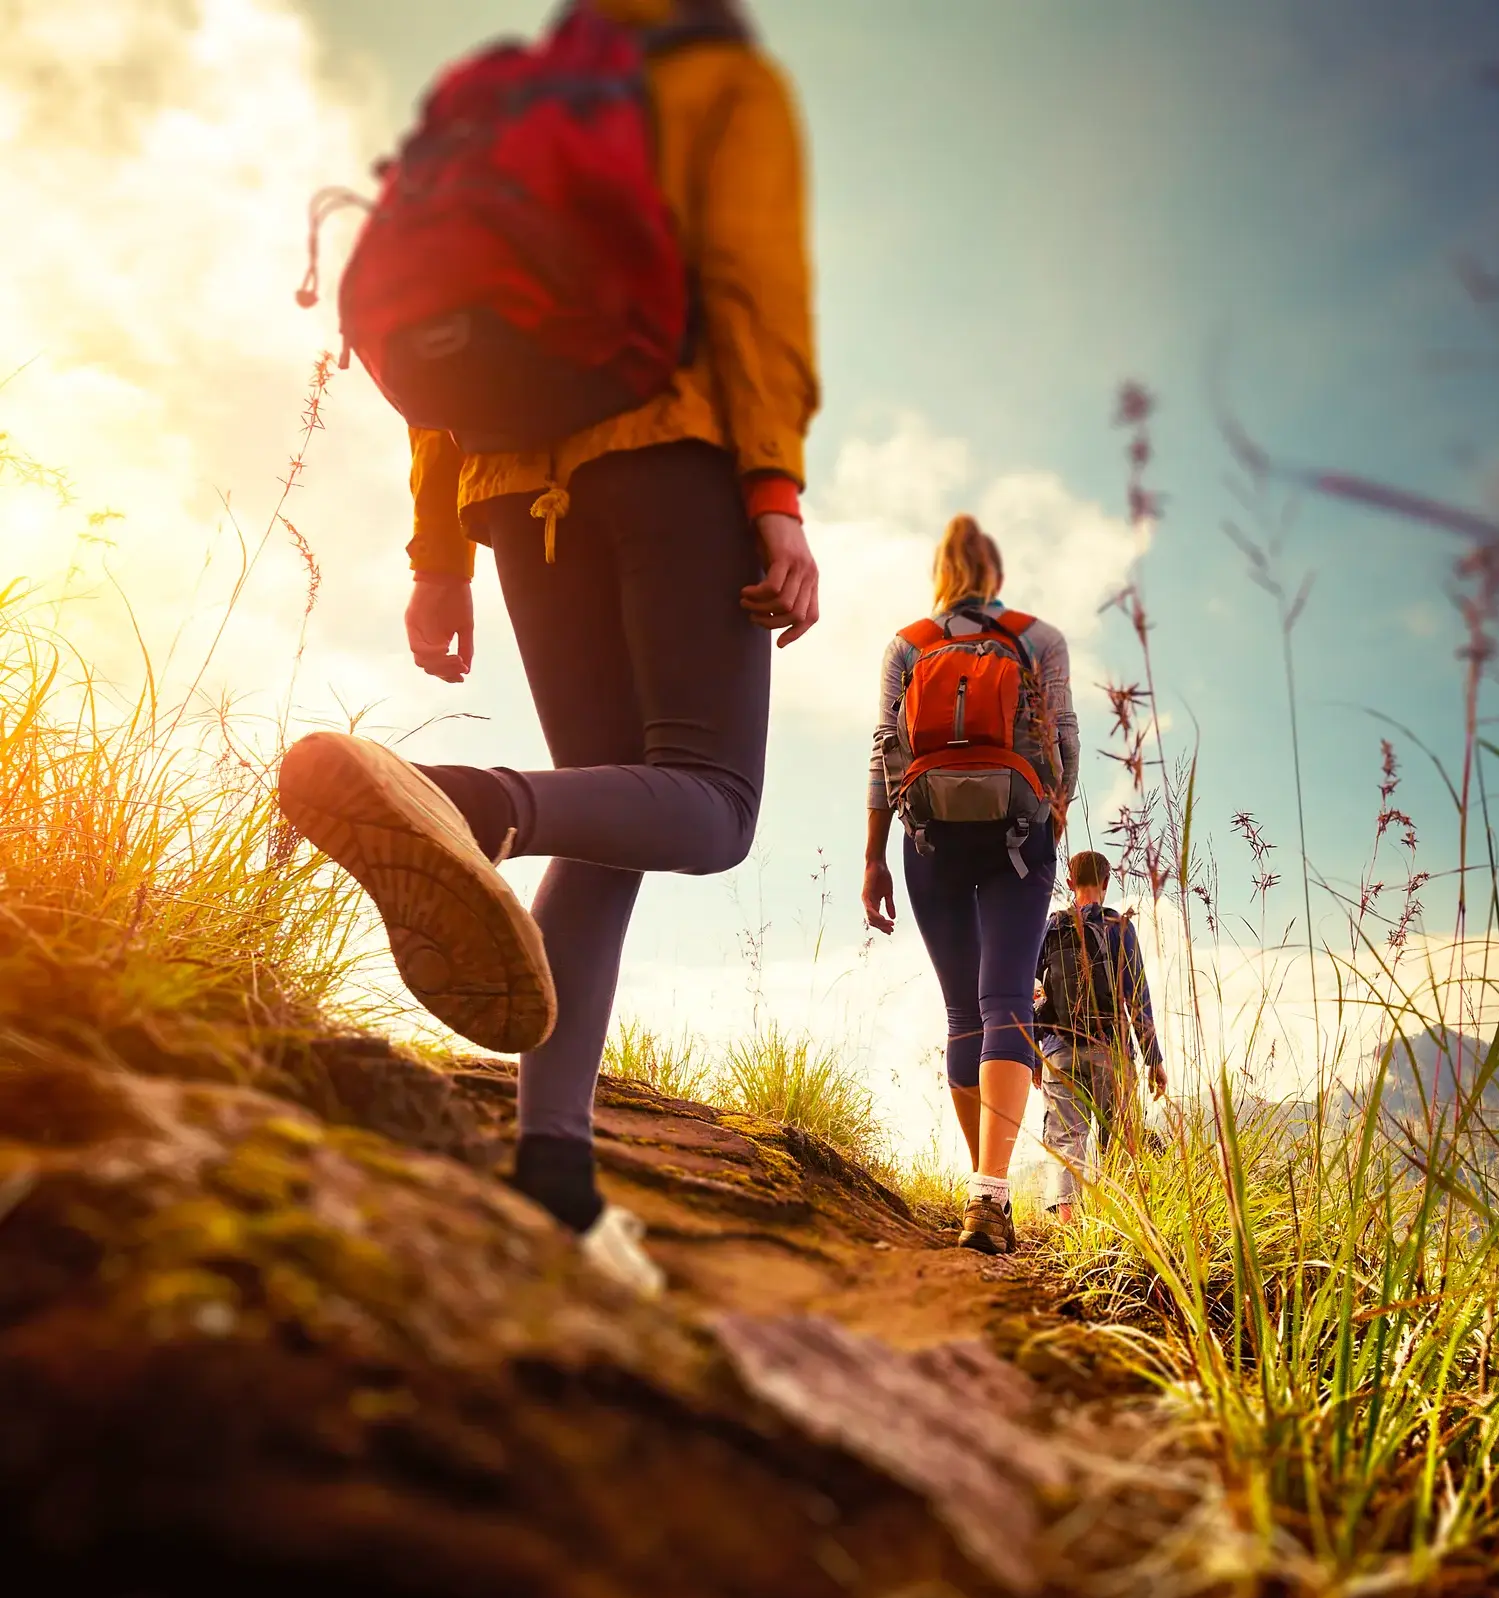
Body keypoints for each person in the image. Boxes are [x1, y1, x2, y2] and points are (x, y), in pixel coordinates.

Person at [277, 0, 817, 1297]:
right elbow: (751, 283)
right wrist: (776, 495)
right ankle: (466, 805)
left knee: (612, 817)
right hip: (670, 461)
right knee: (712, 800)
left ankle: (556, 1181)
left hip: (512, 490)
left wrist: (437, 555)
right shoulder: (715, 80)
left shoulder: (505, 94)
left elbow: (447, 358)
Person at [862, 515, 1079, 1255]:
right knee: (1007, 1003)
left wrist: (875, 857)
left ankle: (985, 1190)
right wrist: (1051, 822)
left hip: (929, 841)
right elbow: (1067, 740)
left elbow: (881, 754)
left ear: (940, 573)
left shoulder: (908, 645)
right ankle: (990, 1188)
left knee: (963, 1014)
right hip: (1019, 836)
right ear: (996, 572)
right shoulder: (1037, 637)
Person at [1033, 850, 1167, 1221]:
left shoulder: (1048, 927)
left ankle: (1069, 1227)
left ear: (1070, 882)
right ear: (1107, 884)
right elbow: (1137, 995)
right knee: (1121, 1141)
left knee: (1064, 1139)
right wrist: (1153, 1058)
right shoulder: (1120, 927)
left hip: (1059, 1050)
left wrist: (1032, 1056)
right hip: (1113, 1049)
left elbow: (1032, 991)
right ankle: (1119, 1228)